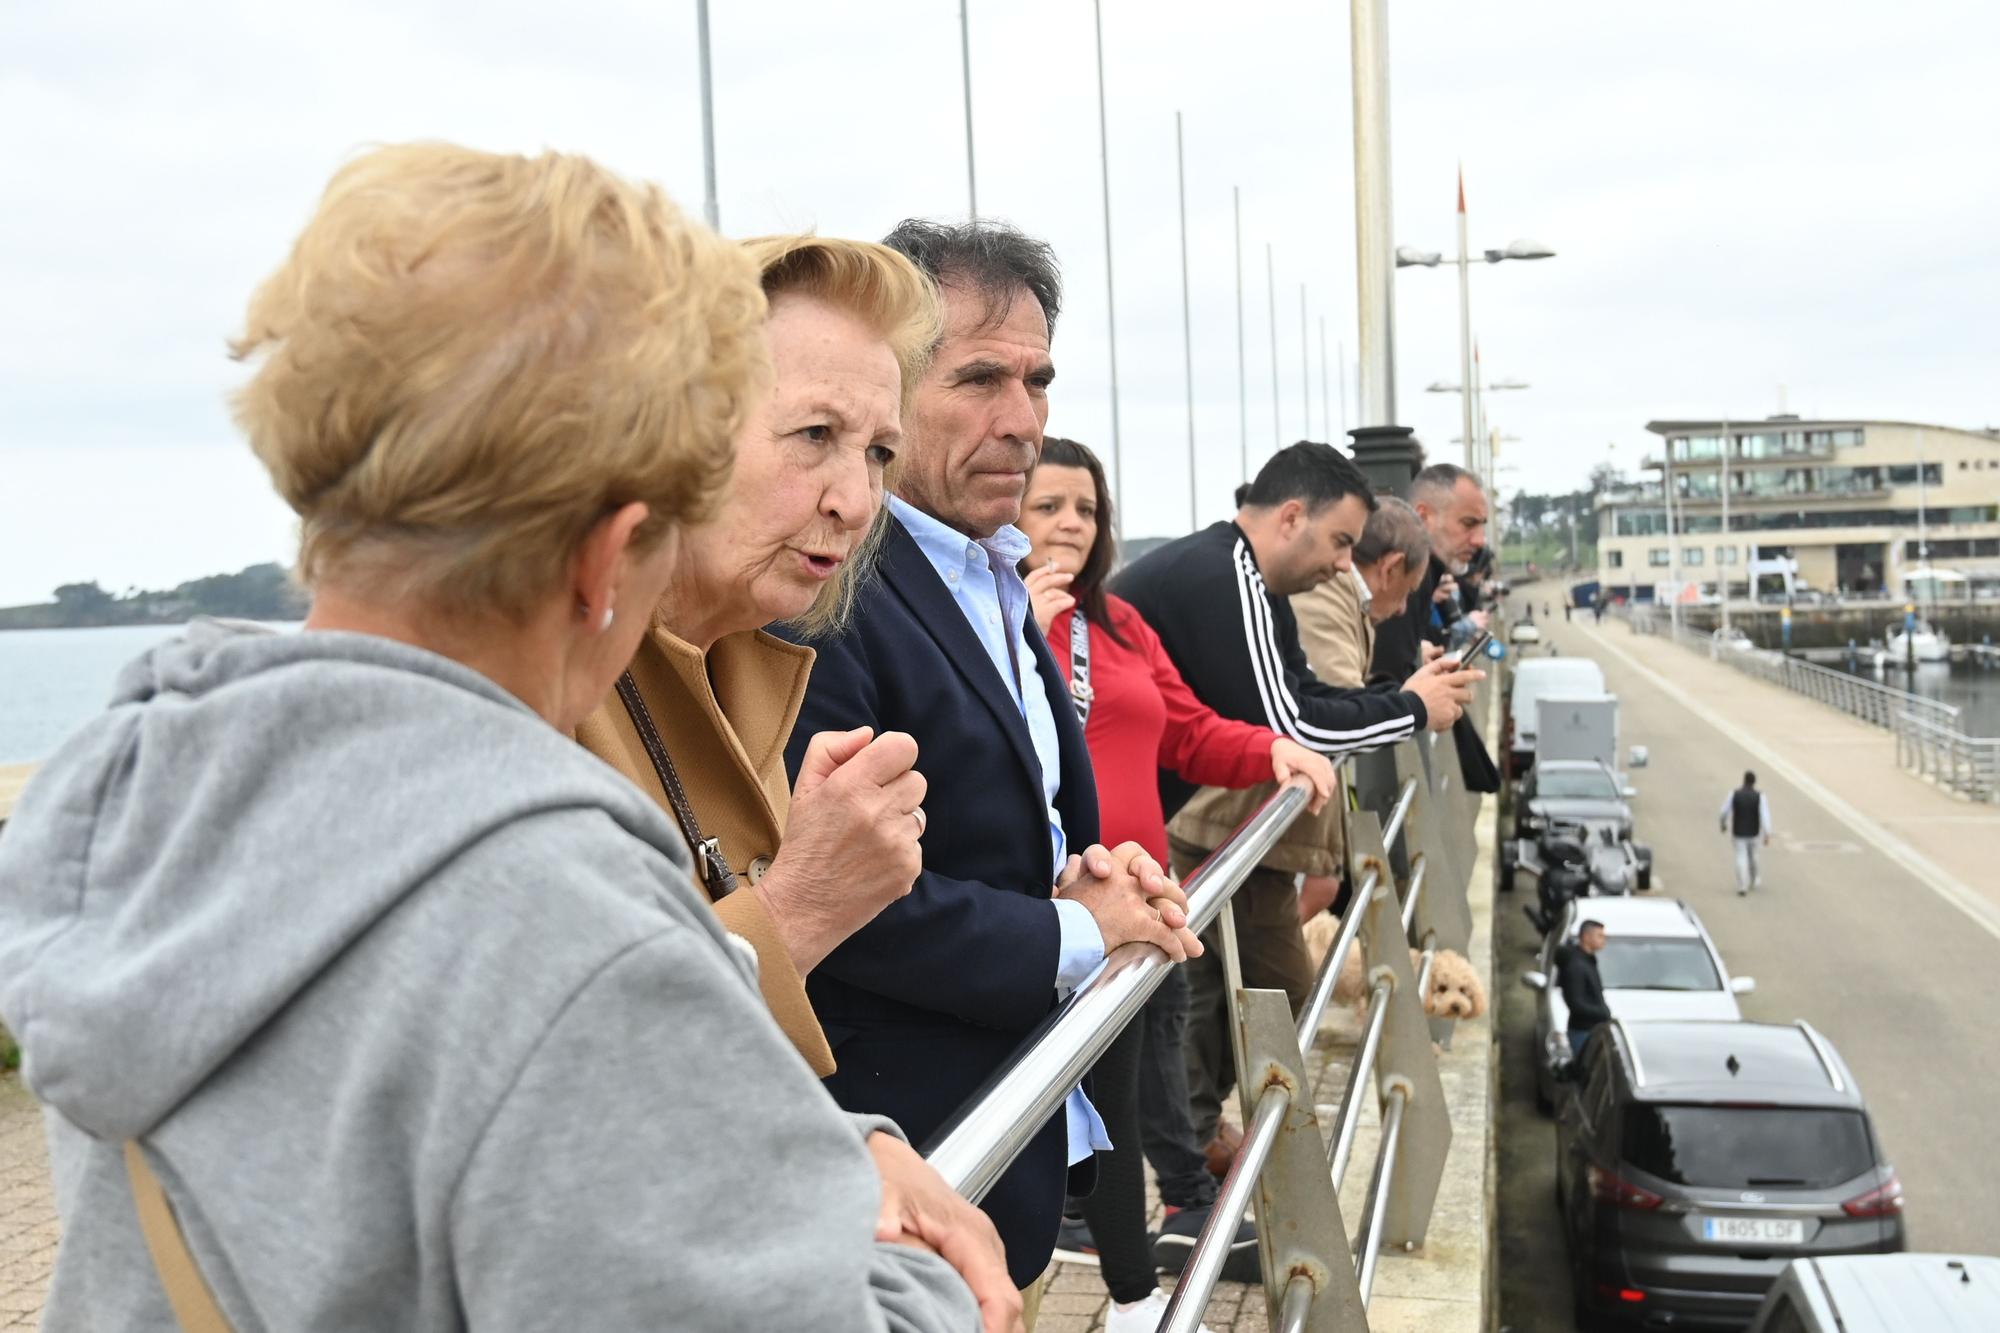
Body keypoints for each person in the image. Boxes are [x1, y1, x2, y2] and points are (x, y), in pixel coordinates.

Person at [0, 145, 1005, 1331]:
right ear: (605, 554)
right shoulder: (551, 911)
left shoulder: (138, 788)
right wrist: (920, 1276)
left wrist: (807, 1152)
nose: (851, 496)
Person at [774, 218, 1198, 1319]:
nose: (1022, 421)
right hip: (908, 1165)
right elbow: (846, 898)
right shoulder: (826, 586)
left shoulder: (991, 575)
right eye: (976, 379)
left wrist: (1083, 877)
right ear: (890, 385)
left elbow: (1007, 820)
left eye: (1037, 380)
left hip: (1012, 1126)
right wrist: (1081, 933)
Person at [575, 234, 941, 1076]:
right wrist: (798, 908)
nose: (856, 501)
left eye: (879, 453)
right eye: (814, 432)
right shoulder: (538, 693)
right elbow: (554, 1072)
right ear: (667, 435)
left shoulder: (744, 675)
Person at [1016, 438, 1337, 1328]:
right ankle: (1129, 1288)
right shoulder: (995, 620)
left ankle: (1140, 1248)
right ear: (1009, 512)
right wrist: (1018, 629)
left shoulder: (1117, 621)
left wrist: (1272, 749)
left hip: (1148, 897)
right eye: (1049, 506)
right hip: (1067, 907)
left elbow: (1186, 730)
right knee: (1105, 1100)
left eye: (1086, 506)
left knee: (1147, 1068)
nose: (1071, 523)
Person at [1116, 443, 1480, 1169]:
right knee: (1182, 1008)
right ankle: (1200, 1185)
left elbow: (1302, 696)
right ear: (1290, 517)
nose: (1346, 563)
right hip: (1134, 831)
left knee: (1185, 1006)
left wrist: (1406, 697)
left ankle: (1197, 1172)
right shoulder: (1227, 574)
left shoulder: (1244, 576)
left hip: (1148, 826)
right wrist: (1411, 709)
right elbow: (1296, 723)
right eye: (1342, 541)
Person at [1370, 462, 1491, 681]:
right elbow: (1387, 677)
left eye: (1482, 525)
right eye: (1468, 524)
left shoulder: (1428, 574)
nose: (1480, 540)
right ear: (1423, 517)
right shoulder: (1406, 574)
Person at [1557, 920, 1613, 1064]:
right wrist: (1602, 1013)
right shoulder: (1575, 966)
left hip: (1593, 1029)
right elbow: (1575, 1003)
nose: (1603, 940)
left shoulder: (1588, 961)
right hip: (1582, 1032)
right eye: (1599, 936)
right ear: (1587, 937)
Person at [1720, 770, 1775, 895]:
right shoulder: (1760, 796)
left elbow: (1724, 811)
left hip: (1738, 832)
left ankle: (1741, 886)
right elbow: (1765, 815)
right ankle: (1754, 878)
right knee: (1754, 856)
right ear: (1754, 782)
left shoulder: (1734, 794)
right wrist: (1767, 833)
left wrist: (1723, 824)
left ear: (1743, 780)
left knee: (1740, 857)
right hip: (1754, 832)